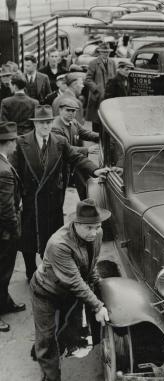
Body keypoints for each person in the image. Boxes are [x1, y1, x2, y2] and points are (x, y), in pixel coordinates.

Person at [12, 105, 110, 283]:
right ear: (35, 124)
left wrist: (95, 171)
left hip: (52, 201)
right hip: (29, 200)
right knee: (29, 239)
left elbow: (76, 158)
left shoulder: (60, 142)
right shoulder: (21, 142)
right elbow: (15, 172)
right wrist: (16, 198)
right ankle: (30, 273)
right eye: (41, 123)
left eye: (48, 122)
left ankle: (49, 271)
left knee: (52, 238)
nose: (45, 126)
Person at [30, 198, 110, 381]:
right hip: (45, 293)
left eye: (96, 226)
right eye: (88, 228)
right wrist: (98, 306)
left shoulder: (97, 233)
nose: (94, 232)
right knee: (47, 339)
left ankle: (45, 347)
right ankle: (50, 377)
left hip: (67, 293)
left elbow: (91, 263)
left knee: (64, 326)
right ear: (76, 223)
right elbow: (74, 281)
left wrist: (99, 283)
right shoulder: (59, 244)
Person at [0, 121, 26, 332]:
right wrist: (15, 230)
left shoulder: (3, 162)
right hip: (5, 233)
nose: (16, 144)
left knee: (4, 272)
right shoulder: (4, 170)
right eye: (14, 141)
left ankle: (5, 301)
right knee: (2, 271)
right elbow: (6, 208)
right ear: (6, 143)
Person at [52, 98, 99, 199]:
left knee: (84, 186)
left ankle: (86, 209)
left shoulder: (73, 122)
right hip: (61, 166)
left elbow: (85, 133)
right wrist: (86, 150)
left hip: (74, 163)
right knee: (59, 193)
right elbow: (65, 148)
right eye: (67, 110)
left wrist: (102, 136)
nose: (71, 113)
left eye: (73, 111)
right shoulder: (56, 127)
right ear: (60, 110)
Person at [85, 43, 116, 131]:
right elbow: (88, 79)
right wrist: (96, 90)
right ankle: (96, 140)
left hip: (109, 97)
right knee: (97, 121)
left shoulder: (112, 63)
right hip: (97, 97)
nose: (106, 54)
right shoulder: (93, 63)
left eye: (107, 52)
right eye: (103, 52)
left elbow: (114, 78)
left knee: (108, 121)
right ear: (100, 52)